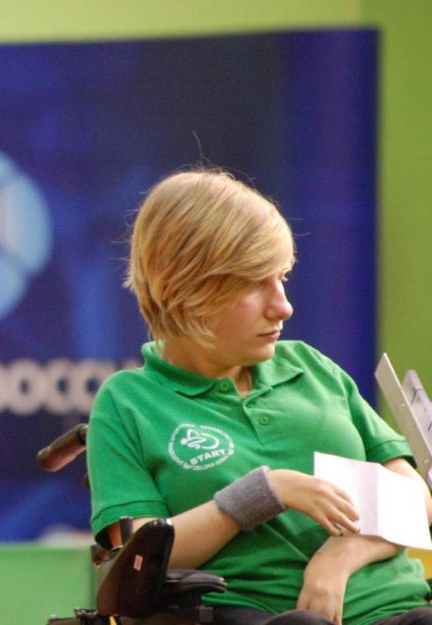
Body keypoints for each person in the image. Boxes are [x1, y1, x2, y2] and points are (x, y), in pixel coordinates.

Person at [86, 168, 432, 625]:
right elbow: (139, 557)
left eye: (282, 277)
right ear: (187, 288)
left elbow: (413, 496)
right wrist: (264, 493)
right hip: (258, 614)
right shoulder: (127, 401)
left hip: (398, 605)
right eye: (254, 283)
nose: (283, 306)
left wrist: (341, 557)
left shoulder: (310, 366)